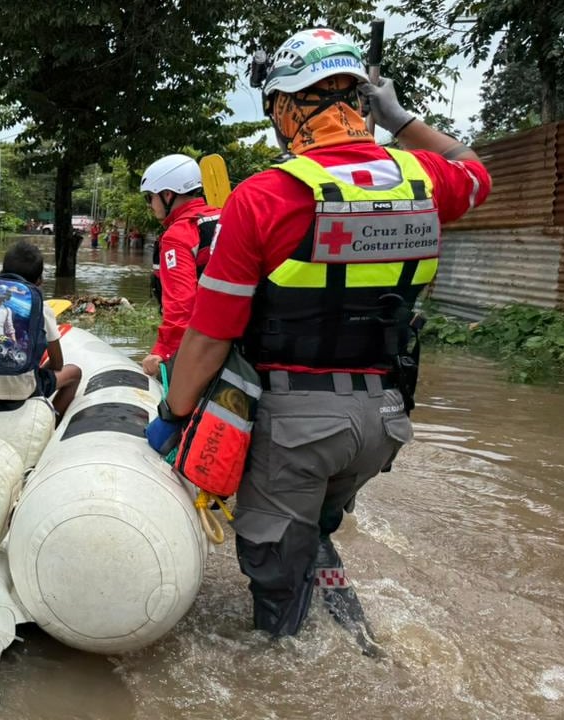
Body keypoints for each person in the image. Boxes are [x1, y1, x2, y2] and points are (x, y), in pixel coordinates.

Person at [155, 28, 491, 642]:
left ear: (285, 109)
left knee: (272, 574)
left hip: (294, 425)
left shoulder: (264, 197)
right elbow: (475, 170)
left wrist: (174, 415)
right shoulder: (425, 181)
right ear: (363, 102)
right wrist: (404, 120)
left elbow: (208, 335)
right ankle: (321, 547)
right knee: (318, 515)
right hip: (382, 421)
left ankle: (286, 655)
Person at [139, 154, 222, 378]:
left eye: (150, 198)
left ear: (167, 194)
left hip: (202, 347)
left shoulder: (178, 236)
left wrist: (162, 353)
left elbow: (181, 304)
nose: (150, 205)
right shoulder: (223, 217)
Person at [0, 240, 83, 418]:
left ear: (2, 272)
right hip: (19, 389)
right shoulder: (42, 309)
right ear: (39, 281)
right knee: (74, 373)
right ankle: (51, 420)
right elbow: (57, 363)